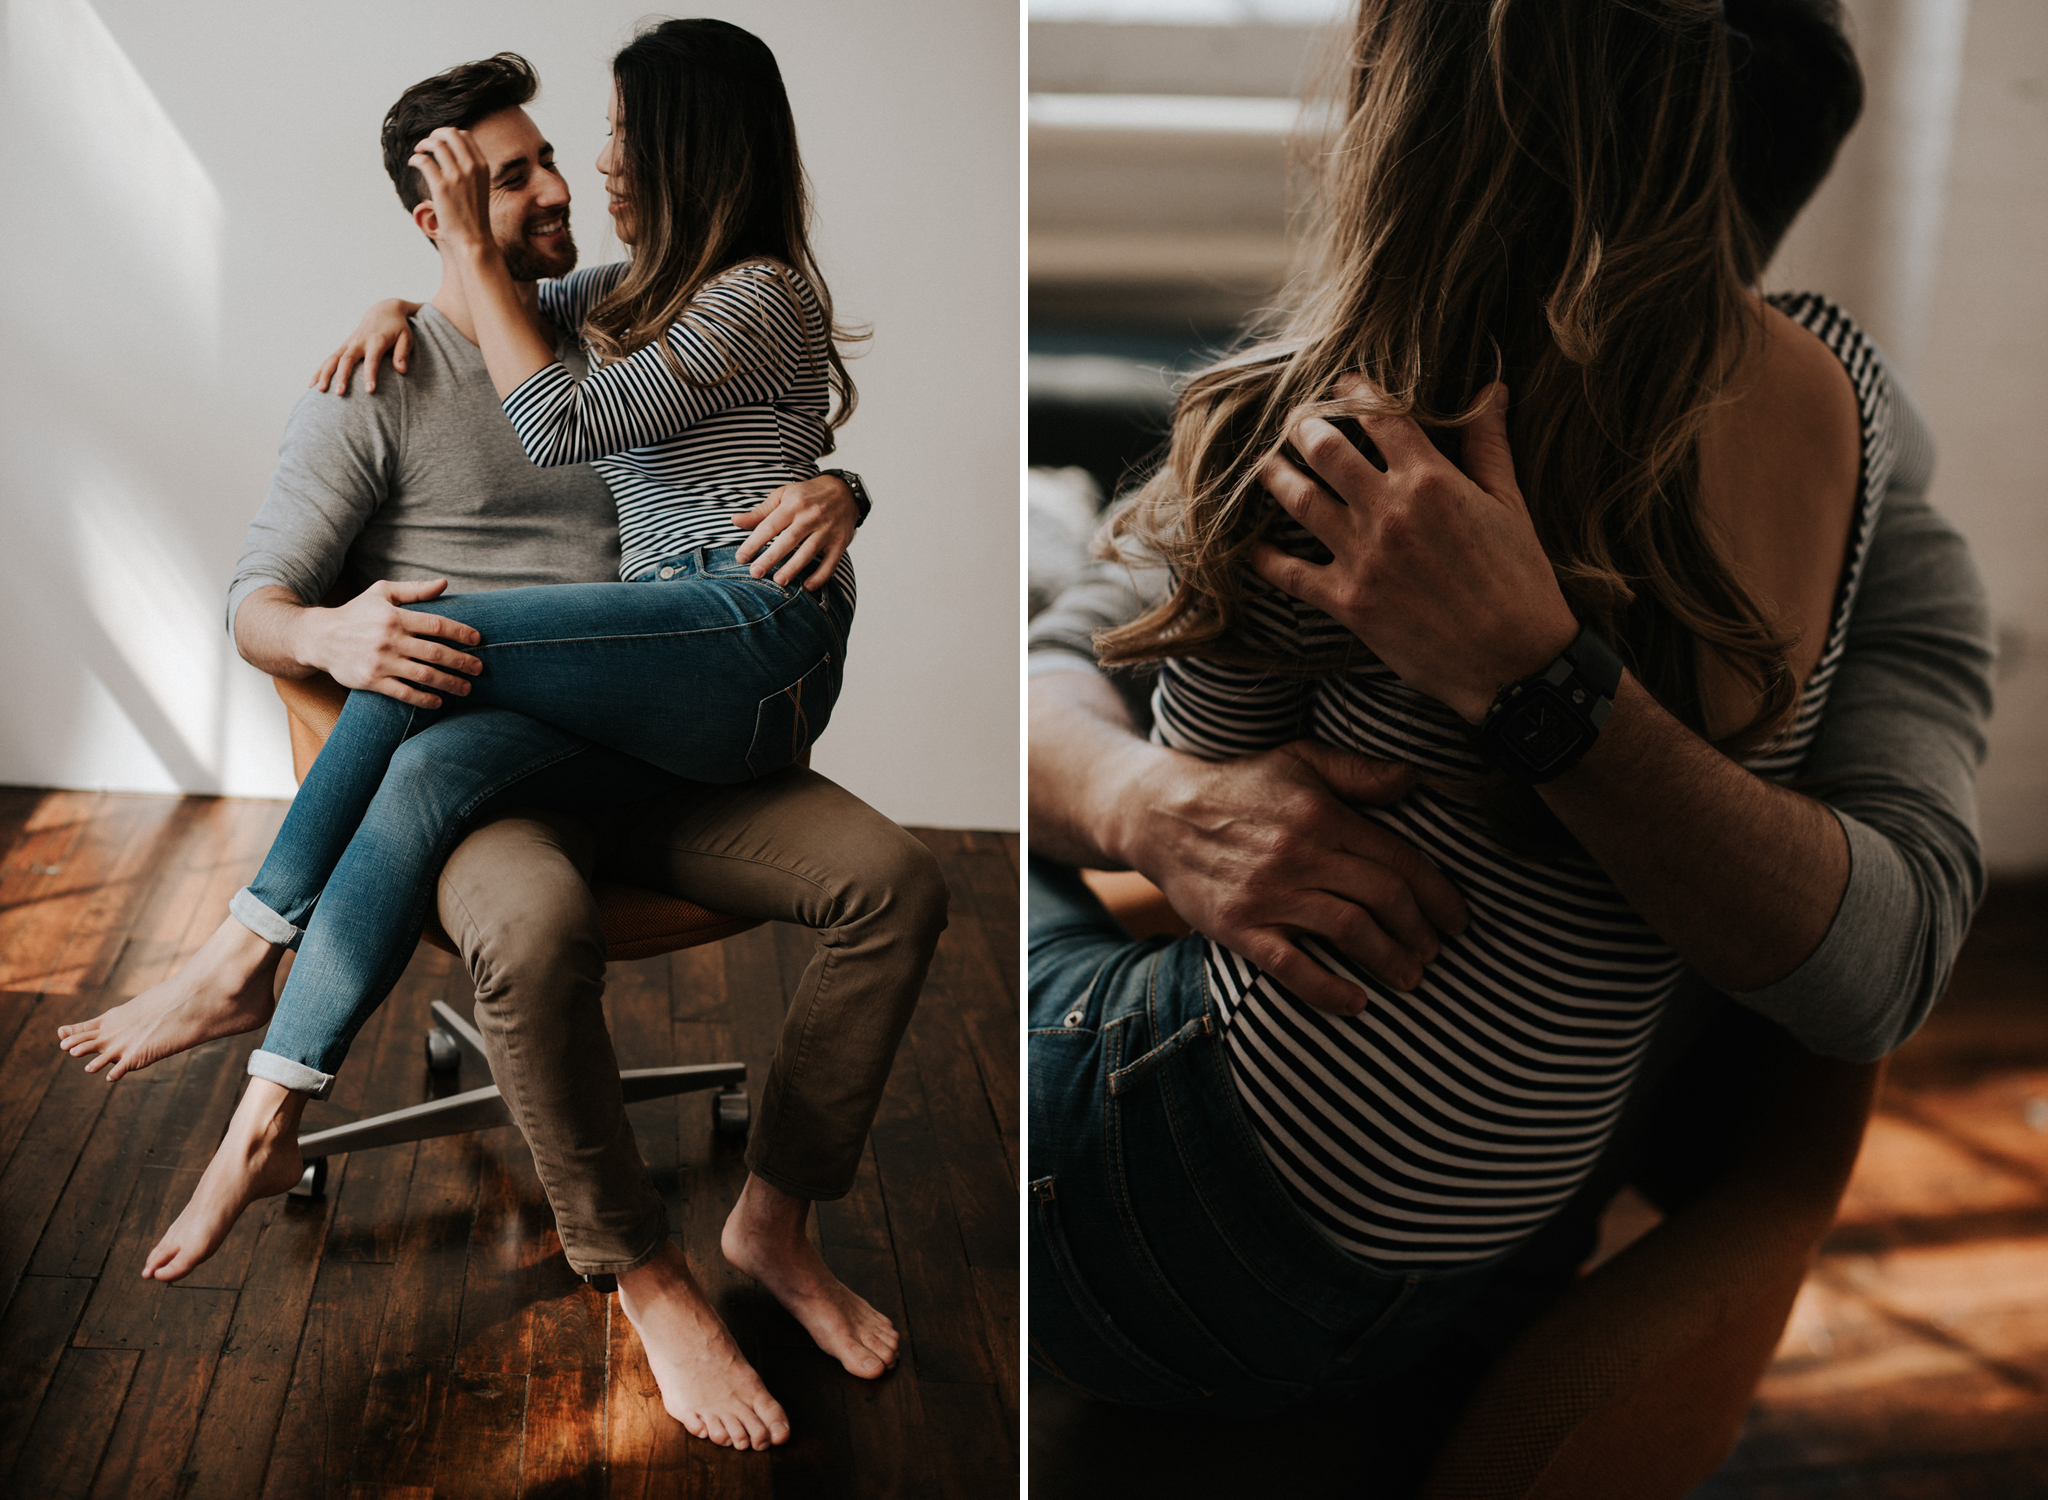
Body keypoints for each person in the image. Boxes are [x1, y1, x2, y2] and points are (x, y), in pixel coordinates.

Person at [1026, 0, 1990, 1428]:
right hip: (1450, 1258)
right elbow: (1155, 745)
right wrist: (1150, 807)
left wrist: (1528, 675)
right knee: (1069, 632)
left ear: (1407, 107)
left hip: (1189, 1219)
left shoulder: (1325, 436)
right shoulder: (1843, 416)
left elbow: (1110, 681)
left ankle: (1045, 524)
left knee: (1003, 793)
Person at [62, 39, 946, 1450]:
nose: (567, 183)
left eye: (568, 153)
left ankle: (768, 1218)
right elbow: (252, 601)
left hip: (682, 709)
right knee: (439, 700)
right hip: (499, 752)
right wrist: (333, 637)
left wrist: (843, 486)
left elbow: (712, 406)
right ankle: (632, 1268)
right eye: (512, 176)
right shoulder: (385, 372)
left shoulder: (619, 325)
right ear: (438, 217)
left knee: (895, 879)